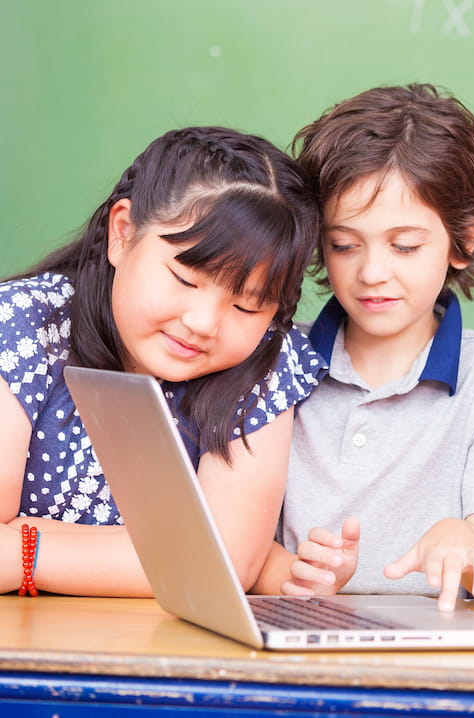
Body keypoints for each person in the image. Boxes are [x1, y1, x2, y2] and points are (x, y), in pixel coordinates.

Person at [1, 126, 325, 597]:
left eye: (246, 306)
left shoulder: (267, 359)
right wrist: (170, 554)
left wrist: (26, 552)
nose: (203, 322)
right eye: (186, 280)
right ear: (122, 233)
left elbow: (219, 566)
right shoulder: (24, 324)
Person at [253, 84, 474, 611]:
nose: (372, 272)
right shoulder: (274, 362)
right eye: (344, 245)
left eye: (404, 246)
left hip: (437, 649)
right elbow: (236, 541)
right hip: (294, 632)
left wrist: (469, 545)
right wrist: (296, 573)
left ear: (465, 241)